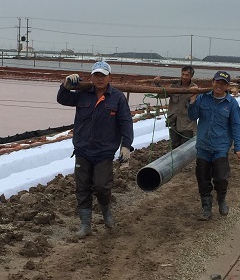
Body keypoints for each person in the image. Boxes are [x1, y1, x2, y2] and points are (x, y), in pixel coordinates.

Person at [57, 61, 134, 237]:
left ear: (109, 77)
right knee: (82, 187)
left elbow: (126, 122)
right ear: (91, 77)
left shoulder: (117, 97)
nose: (100, 79)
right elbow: (62, 99)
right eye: (97, 75)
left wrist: (126, 146)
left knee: (102, 186)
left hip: (104, 152)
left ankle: (106, 210)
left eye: (103, 76)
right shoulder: (82, 93)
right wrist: (65, 85)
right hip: (82, 149)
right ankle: (85, 225)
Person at [187, 70, 240, 220]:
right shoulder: (202, 98)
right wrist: (192, 99)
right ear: (212, 82)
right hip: (203, 147)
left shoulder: (231, 103)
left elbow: (237, 125)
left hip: (220, 147)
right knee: (202, 178)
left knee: (221, 177)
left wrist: (238, 147)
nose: (219, 85)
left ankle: (221, 199)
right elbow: (192, 116)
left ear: (227, 86)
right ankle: (206, 208)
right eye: (217, 82)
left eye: (223, 83)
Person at [153, 65, 198, 149]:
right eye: (183, 74)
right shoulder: (174, 86)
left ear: (191, 76)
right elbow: (162, 95)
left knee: (186, 147)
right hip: (174, 121)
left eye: (187, 75)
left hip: (188, 124)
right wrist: (157, 84)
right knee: (174, 146)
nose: (184, 77)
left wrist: (194, 98)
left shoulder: (195, 89)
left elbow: (198, 107)